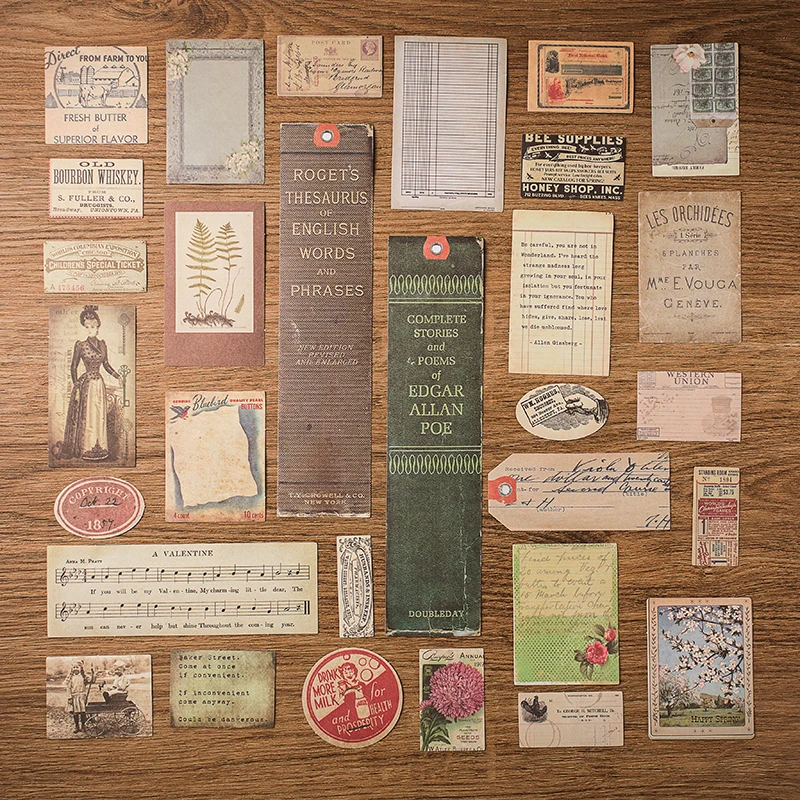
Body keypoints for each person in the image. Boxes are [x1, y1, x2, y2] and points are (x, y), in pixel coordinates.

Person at [61, 305, 120, 461]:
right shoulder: (80, 345)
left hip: (99, 384)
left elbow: (106, 365)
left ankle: (100, 448)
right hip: (86, 385)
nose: (90, 330)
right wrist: (76, 386)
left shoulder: (102, 345)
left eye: (92, 326)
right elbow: (73, 367)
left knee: (99, 416)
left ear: (98, 326)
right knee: (88, 416)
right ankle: (86, 448)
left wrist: (117, 376)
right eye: (87, 327)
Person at [65, 661, 92, 733]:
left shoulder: (83, 676)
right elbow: (68, 688)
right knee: (75, 713)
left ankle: (83, 725)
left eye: (77, 667)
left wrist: (93, 675)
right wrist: (69, 697)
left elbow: (91, 680)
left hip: (82, 696)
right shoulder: (70, 678)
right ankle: (77, 726)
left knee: (83, 712)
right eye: (74, 667)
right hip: (74, 697)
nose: (75, 669)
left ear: (81, 668)